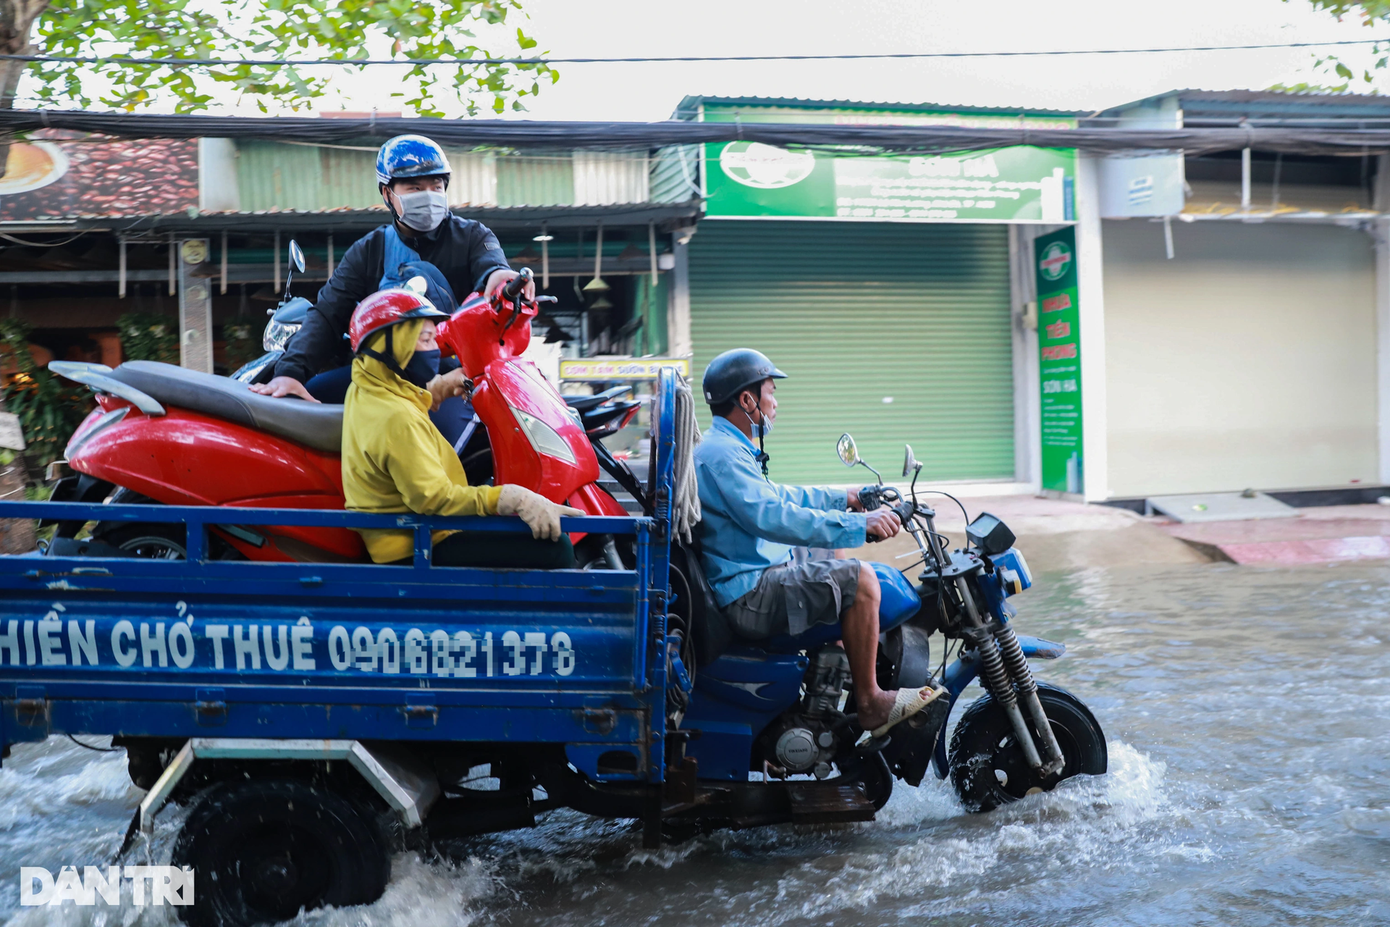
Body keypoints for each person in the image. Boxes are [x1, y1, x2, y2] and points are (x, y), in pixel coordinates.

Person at [693, 348, 946, 736]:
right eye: (771, 392)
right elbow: (772, 516)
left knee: (830, 554)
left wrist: (844, 496)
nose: (775, 403)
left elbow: (779, 497)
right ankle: (871, 702)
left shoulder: (729, 448)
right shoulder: (723, 455)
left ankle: (841, 659)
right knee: (862, 581)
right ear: (747, 400)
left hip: (753, 575)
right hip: (748, 592)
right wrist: (859, 525)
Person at [251, 134, 533, 434]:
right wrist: (291, 372)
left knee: (445, 447)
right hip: (379, 379)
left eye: (436, 186)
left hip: (453, 379)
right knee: (300, 414)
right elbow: (327, 314)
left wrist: (501, 277)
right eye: (414, 187)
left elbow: (493, 270)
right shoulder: (369, 250)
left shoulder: (474, 236)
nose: (428, 194)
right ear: (387, 193)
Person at [342, 287, 580, 568]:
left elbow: (398, 403)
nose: (435, 349)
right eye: (425, 339)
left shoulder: (366, 388)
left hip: (408, 534)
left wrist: (437, 389)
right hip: (418, 544)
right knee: (556, 547)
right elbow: (434, 498)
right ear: (391, 346)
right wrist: (509, 498)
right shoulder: (396, 418)